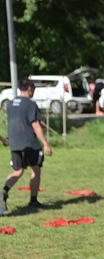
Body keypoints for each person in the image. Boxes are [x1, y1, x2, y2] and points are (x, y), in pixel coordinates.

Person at [1, 79, 53, 216]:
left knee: (18, 171)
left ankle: (4, 191)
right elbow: (35, 125)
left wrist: (7, 140)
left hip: (14, 143)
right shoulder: (30, 104)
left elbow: (12, 124)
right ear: (29, 88)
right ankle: (33, 201)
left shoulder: (11, 104)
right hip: (30, 143)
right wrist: (46, 143)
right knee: (35, 169)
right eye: (34, 88)